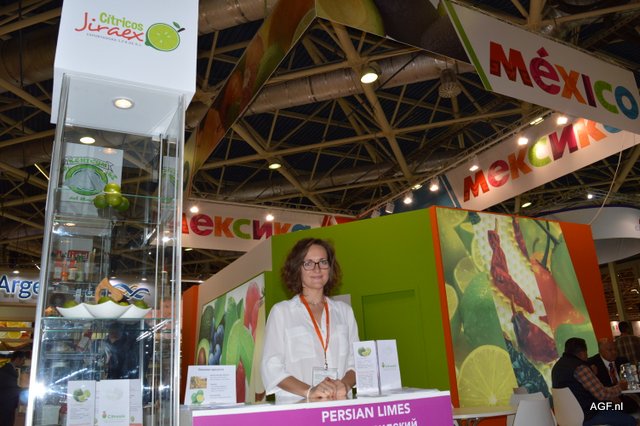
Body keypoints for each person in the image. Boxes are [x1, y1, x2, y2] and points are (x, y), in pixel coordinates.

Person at [261, 238, 359, 402]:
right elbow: (271, 367)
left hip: (340, 406)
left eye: (323, 262)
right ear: (297, 269)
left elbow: (356, 361)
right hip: (297, 407)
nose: (317, 269)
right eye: (308, 263)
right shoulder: (282, 312)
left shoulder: (344, 312)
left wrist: (345, 385)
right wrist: (310, 391)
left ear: (330, 268)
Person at [552, 337, 636, 426]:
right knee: (630, 420)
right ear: (582, 353)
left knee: (619, 407)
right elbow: (601, 394)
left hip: (566, 416)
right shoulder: (580, 367)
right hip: (588, 413)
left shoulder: (557, 367)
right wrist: (620, 387)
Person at [589, 338, 639, 416]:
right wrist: (610, 396)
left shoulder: (622, 360)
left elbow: (631, 380)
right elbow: (594, 390)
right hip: (607, 397)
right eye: (610, 350)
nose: (614, 352)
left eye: (615, 349)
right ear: (600, 351)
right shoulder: (592, 363)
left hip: (625, 394)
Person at [0, 351, 26, 426]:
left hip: (6, 404)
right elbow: (10, 388)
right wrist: (23, 390)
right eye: (23, 360)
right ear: (17, 359)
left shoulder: (8, 369)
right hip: (6, 405)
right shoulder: (7, 371)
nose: (23, 362)